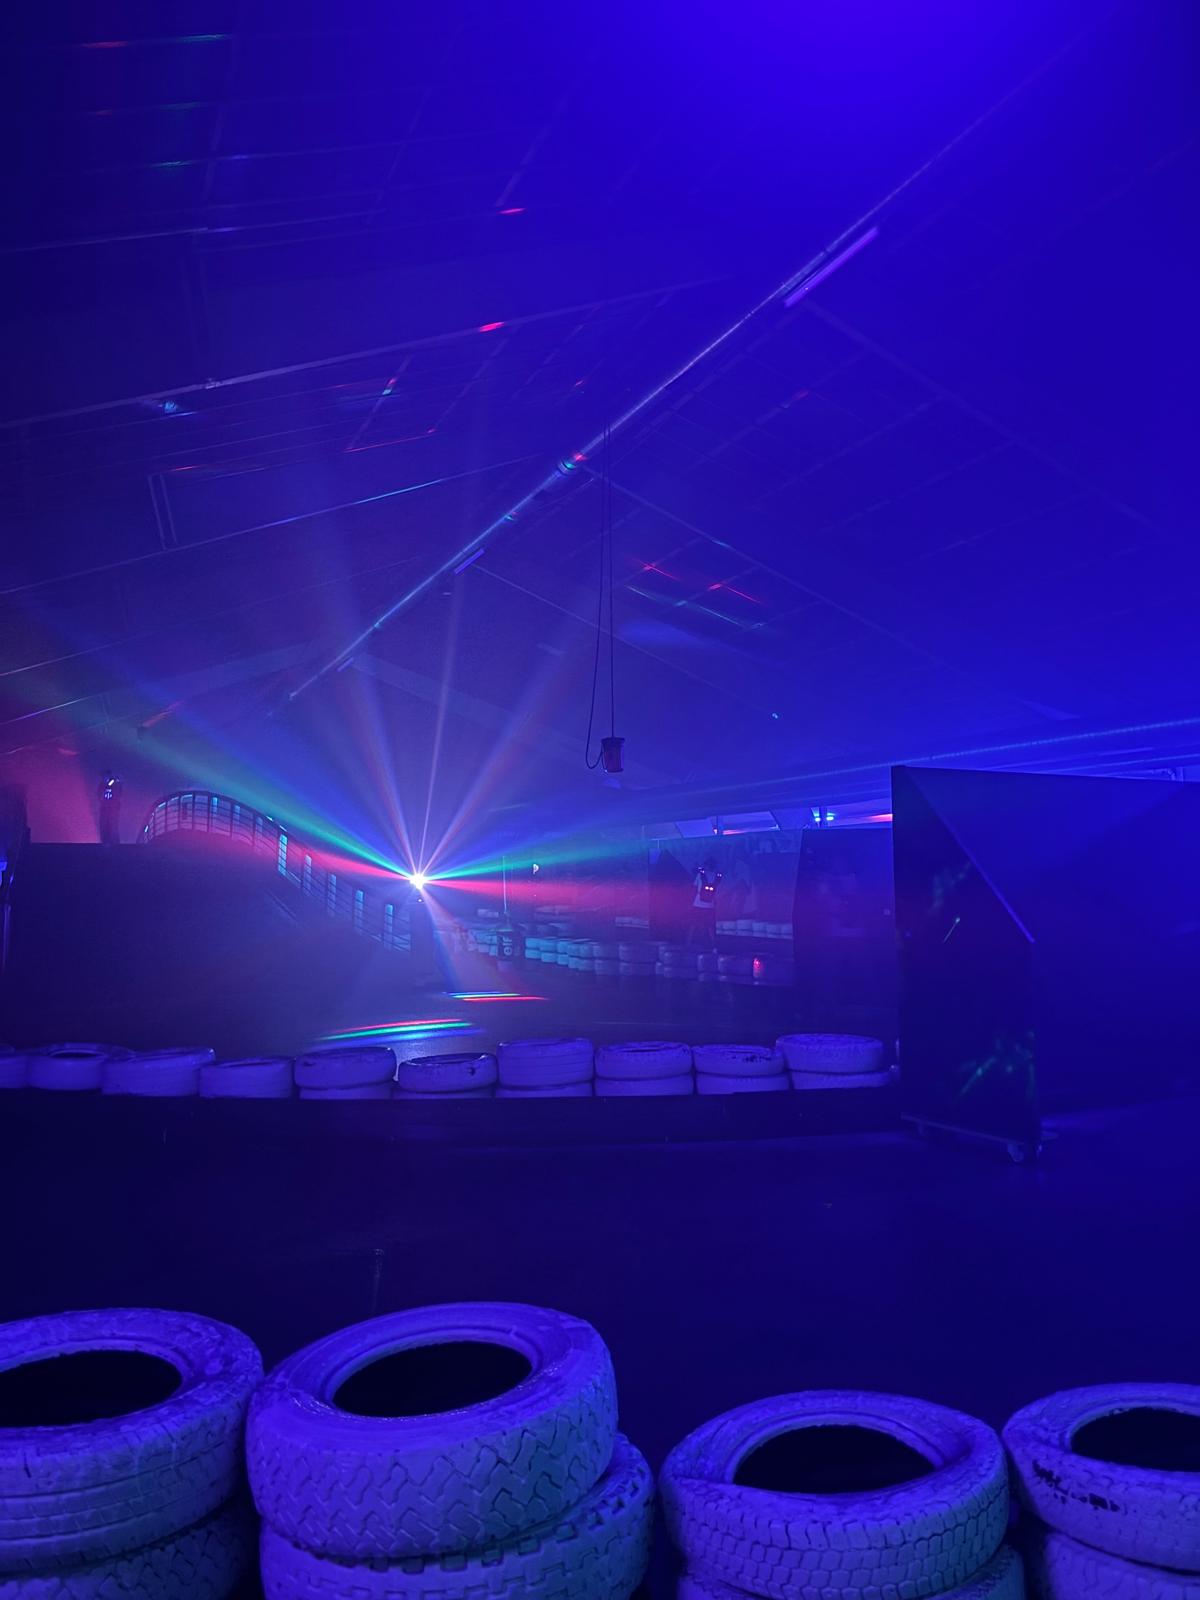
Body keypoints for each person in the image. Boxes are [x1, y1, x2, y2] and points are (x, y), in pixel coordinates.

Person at [687, 855, 722, 947]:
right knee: (710, 926)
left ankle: (688, 943)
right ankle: (714, 945)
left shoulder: (700, 875)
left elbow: (694, 888)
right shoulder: (717, 877)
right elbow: (717, 892)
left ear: (706, 865)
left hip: (698, 903)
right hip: (710, 905)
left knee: (693, 925)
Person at [97, 772, 123, 845]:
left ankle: (114, 842)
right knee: (105, 826)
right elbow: (99, 797)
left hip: (112, 810)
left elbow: (119, 795)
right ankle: (106, 842)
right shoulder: (102, 786)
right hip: (105, 809)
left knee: (113, 826)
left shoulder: (115, 785)